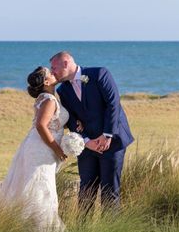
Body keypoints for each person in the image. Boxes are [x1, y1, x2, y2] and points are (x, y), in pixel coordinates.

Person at [50, 51, 133, 209]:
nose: (52, 71)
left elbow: (113, 104)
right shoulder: (62, 91)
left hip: (112, 142)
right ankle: (83, 231)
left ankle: (111, 231)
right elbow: (72, 119)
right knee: (86, 191)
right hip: (87, 146)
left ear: (66, 63)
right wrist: (86, 141)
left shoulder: (100, 74)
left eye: (54, 67)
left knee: (110, 193)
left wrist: (107, 135)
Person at [0, 66, 66, 232]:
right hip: (42, 147)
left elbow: (52, 122)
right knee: (42, 187)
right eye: (50, 72)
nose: (54, 73)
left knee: (35, 186)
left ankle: (28, 229)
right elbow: (41, 125)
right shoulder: (48, 99)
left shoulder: (45, 97)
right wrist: (57, 148)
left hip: (38, 145)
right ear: (47, 82)